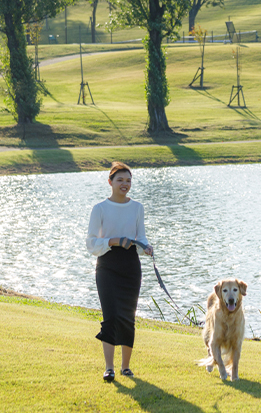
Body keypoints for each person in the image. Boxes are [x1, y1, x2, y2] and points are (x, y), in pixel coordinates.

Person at [86, 161, 153, 382]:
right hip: (107, 266)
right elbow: (92, 244)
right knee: (111, 316)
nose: (125, 184)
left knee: (128, 317)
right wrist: (114, 241)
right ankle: (109, 367)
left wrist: (146, 246)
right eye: (120, 180)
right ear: (110, 182)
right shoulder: (100, 208)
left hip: (131, 266)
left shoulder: (137, 208)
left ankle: (126, 367)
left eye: (128, 180)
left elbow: (140, 236)